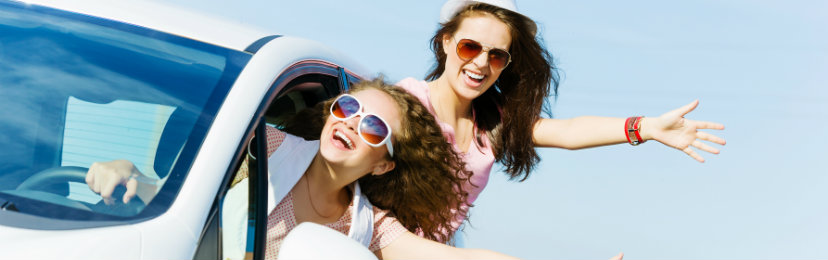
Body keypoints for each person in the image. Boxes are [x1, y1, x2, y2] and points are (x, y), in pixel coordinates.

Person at [85, 79, 528, 259]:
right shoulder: (263, 147)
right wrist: (127, 171)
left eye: (372, 127)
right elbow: (176, 194)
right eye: (347, 108)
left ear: (382, 165)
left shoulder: (367, 225)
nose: (351, 123)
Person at [395, 0, 728, 233]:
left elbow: (568, 132)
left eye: (496, 56)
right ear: (446, 41)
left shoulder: (492, 124)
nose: (481, 63)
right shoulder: (404, 104)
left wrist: (647, 127)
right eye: (470, 47)